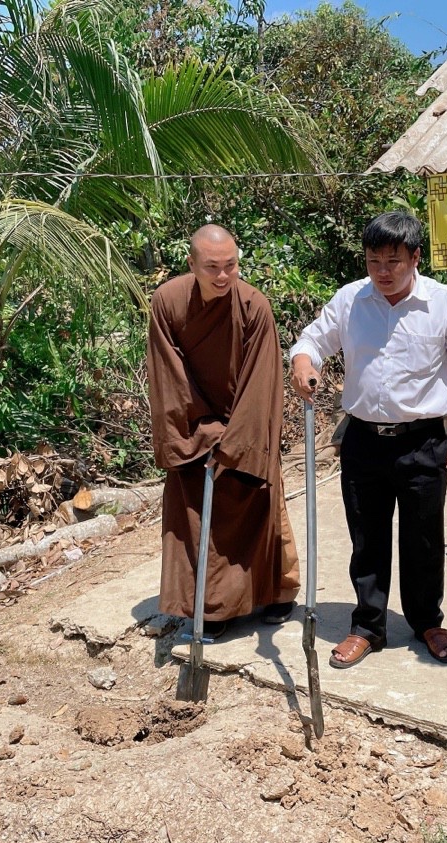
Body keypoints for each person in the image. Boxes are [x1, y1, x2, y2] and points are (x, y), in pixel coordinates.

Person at [289, 212, 447, 669]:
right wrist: (303, 363)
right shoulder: (351, 300)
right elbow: (313, 340)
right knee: (367, 537)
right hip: (363, 440)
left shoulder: (445, 304)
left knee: (424, 538)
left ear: (415, 257)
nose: (382, 271)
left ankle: (427, 621)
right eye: (373, 260)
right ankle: (367, 626)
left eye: (393, 261)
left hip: (423, 441)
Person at [146, 224, 300, 640]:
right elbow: (167, 374)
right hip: (194, 426)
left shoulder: (253, 306)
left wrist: (236, 439)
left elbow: (261, 379)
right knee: (193, 517)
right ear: (191, 264)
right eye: (212, 267)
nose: (222, 276)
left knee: (262, 499)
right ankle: (210, 608)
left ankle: (276, 591)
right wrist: (201, 431)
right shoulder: (168, 302)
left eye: (230, 266)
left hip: (244, 422)